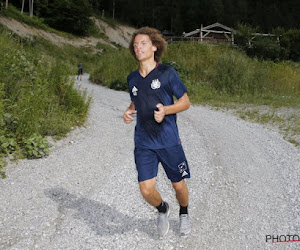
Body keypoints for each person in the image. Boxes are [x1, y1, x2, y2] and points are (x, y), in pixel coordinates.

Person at [123, 27, 191, 237]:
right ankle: (162, 209)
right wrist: (129, 110)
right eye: (135, 44)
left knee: (178, 186)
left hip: (169, 140)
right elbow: (137, 100)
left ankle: (184, 212)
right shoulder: (132, 78)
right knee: (145, 190)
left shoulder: (167, 73)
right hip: (144, 141)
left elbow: (185, 102)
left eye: (143, 43)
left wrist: (167, 110)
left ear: (154, 47)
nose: (138, 47)